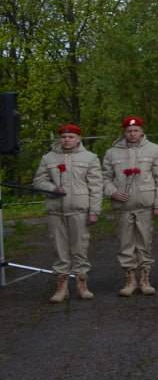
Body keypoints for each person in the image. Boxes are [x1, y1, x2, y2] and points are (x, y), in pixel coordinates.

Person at [33, 123, 102, 303]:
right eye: (63, 137)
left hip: (79, 209)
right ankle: (62, 286)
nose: (67, 140)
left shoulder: (90, 158)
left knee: (80, 248)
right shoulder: (48, 158)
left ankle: (82, 284)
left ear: (78, 139)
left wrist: (94, 211)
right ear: (59, 139)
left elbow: (96, 186)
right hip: (56, 211)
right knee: (59, 248)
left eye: (71, 137)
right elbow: (39, 181)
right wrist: (52, 188)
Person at [102, 116, 158, 297]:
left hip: (145, 205)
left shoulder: (154, 150)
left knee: (145, 242)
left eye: (136, 130)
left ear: (142, 131)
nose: (132, 134)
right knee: (125, 243)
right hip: (123, 207)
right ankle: (130, 279)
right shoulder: (112, 152)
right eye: (129, 131)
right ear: (124, 132)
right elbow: (104, 177)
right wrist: (112, 192)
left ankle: (145, 279)